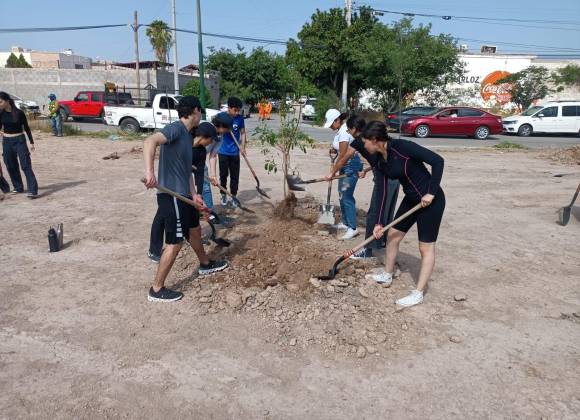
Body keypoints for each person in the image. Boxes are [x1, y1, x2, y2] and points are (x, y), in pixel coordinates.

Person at [143, 96, 228, 302]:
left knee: (195, 231)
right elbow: (149, 141)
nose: (201, 116)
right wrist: (149, 172)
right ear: (195, 111)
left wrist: (194, 194)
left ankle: (205, 264)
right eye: (201, 112)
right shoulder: (176, 128)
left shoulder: (188, 135)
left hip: (184, 195)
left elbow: (186, 171)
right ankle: (156, 289)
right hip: (171, 196)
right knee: (175, 243)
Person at [361, 121, 445, 308]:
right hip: (412, 200)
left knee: (425, 248)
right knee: (392, 235)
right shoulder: (379, 160)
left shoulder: (403, 148)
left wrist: (431, 191)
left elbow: (438, 161)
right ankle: (387, 274)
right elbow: (382, 192)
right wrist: (379, 222)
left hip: (431, 201)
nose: (364, 145)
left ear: (375, 140)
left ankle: (418, 293)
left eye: (365, 141)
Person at [324, 115, 400, 259]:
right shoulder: (373, 138)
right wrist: (366, 170)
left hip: (385, 180)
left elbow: (343, 159)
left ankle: (368, 251)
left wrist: (331, 173)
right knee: (386, 213)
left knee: (374, 214)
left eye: (349, 129)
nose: (348, 132)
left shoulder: (359, 141)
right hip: (394, 179)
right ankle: (381, 244)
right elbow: (381, 159)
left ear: (354, 129)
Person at [323, 109, 363, 240]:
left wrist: (331, 173)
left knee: (346, 196)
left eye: (331, 124)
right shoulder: (340, 131)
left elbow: (343, 156)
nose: (330, 127)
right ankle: (346, 223)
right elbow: (340, 149)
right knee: (342, 194)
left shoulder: (345, 132)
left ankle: (353, 228)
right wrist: (334, 148)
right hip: (345, 166)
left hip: (350, 166)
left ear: (337, 120)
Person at [0, 91, 39, 198]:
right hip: (6, 142)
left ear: (7, 101)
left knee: (25, 165)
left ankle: (33, 190)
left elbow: (26, 128)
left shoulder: (19, 113)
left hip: (19, 140)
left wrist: (31, 142)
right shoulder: (0, 113)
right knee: (10, 165)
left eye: (1, 102)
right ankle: (18, 187)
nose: (0, 104)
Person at [217, 97, 246, 208]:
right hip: (223, 151)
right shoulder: (221, 117)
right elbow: (217, 131)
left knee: (235, 176)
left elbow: (242, 133)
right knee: (223, 175)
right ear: (229, 108)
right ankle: (223, 194)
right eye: (235, 110)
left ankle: (233, 196)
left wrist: (242, 146)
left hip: (234, 152)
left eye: (239, 110)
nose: (237, 112)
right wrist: (223, 128)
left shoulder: (239, 118)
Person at [203, 113, 233, 213]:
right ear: (220, 125)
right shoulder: (205, 128)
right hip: (187, 159)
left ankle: (210, 212)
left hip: (200, 161)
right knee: (187, 190)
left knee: (206, 186)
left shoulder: (220, 136)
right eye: (227, 127)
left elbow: (213, 155)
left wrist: (213, 175)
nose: (229, 130)